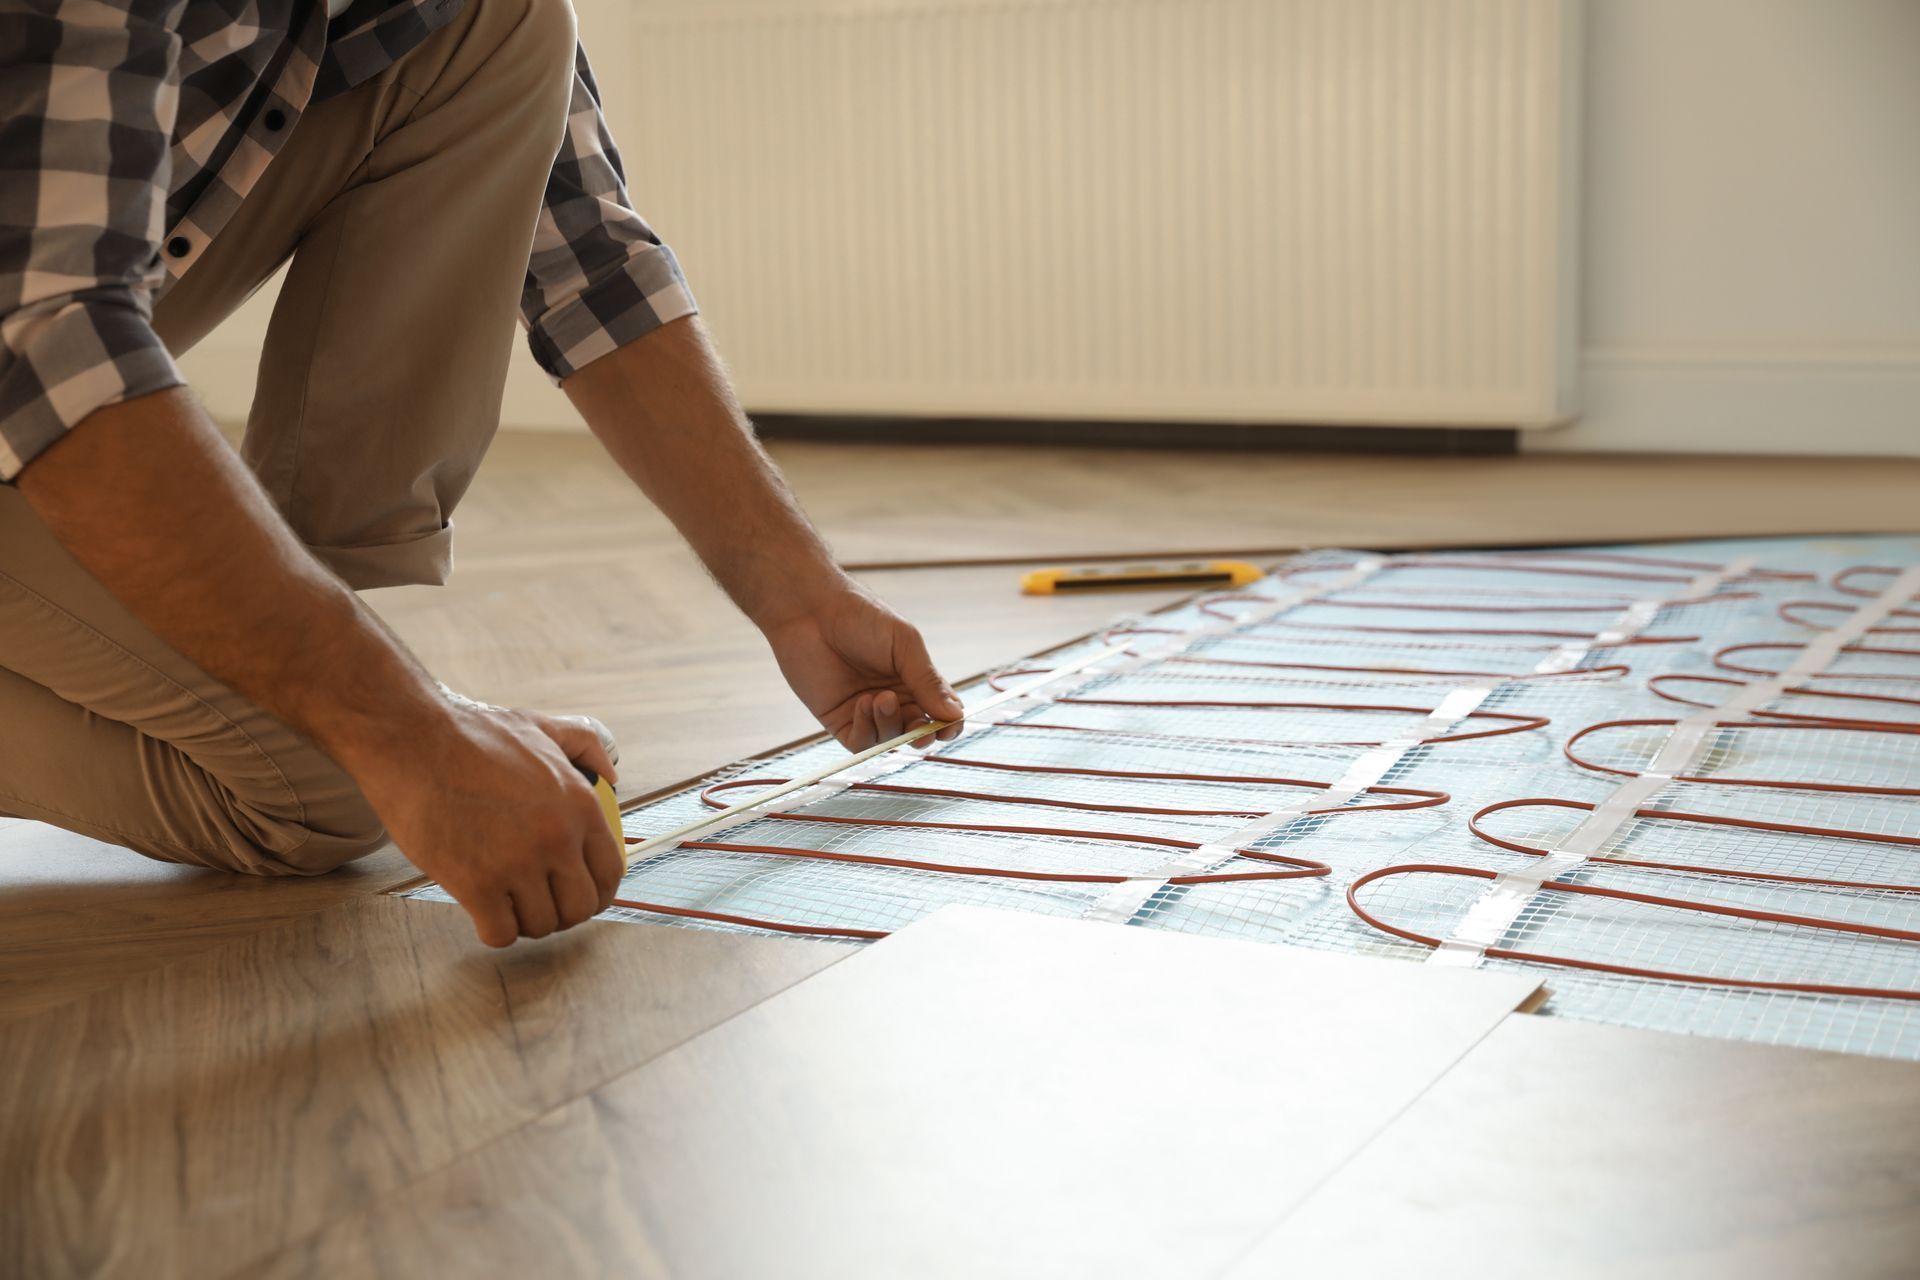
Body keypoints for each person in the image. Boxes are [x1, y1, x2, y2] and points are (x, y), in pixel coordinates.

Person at [0, 0, 964, 946]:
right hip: (32, 341)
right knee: (322, 793)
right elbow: (51, 341)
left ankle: (322, 654)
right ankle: (333, 686)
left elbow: (586, 259)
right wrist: (410, 735)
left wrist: (799, 597)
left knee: (505, 22)